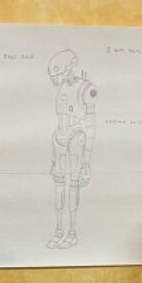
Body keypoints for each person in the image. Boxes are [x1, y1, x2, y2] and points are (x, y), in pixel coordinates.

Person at [46, 49, 97, 250]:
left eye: (57, 75)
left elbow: (91, 124)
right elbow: (59, 118)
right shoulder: (61, 89)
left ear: (67, 68)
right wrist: (53, 158)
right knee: (59, 186)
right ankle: (59, 230)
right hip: (59, 139)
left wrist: (86, 161)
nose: (55, 80)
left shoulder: (86, 88)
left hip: (76, 139)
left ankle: (73, 232)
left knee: (73, 186)